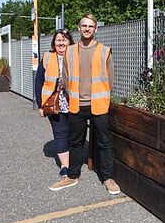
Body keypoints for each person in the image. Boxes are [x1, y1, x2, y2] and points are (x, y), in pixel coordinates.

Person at [48, 14, 121, 195]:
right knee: (75, 142)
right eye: (84, 26)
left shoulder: (104, 51)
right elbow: (65, 77)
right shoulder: (70, 51)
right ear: (79, 28)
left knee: (104, 142)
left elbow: (110, 80)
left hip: (98, 104)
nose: (87, 29)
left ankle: (107, 177)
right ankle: (72, 176)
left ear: (95, 29)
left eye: (90, 26)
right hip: (77, 104)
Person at [34, 28, 75, 191]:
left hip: (73, 102)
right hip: (53, 103)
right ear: (54, 43)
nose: (61, 42)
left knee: (74, 133)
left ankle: (75, 161)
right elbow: (38, 81)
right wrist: (40, 105)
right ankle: (65, 166)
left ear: (70, 42)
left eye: (65, 39)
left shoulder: (75, 57)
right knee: (60, 133)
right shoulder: (47, 57)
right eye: (58, 40)